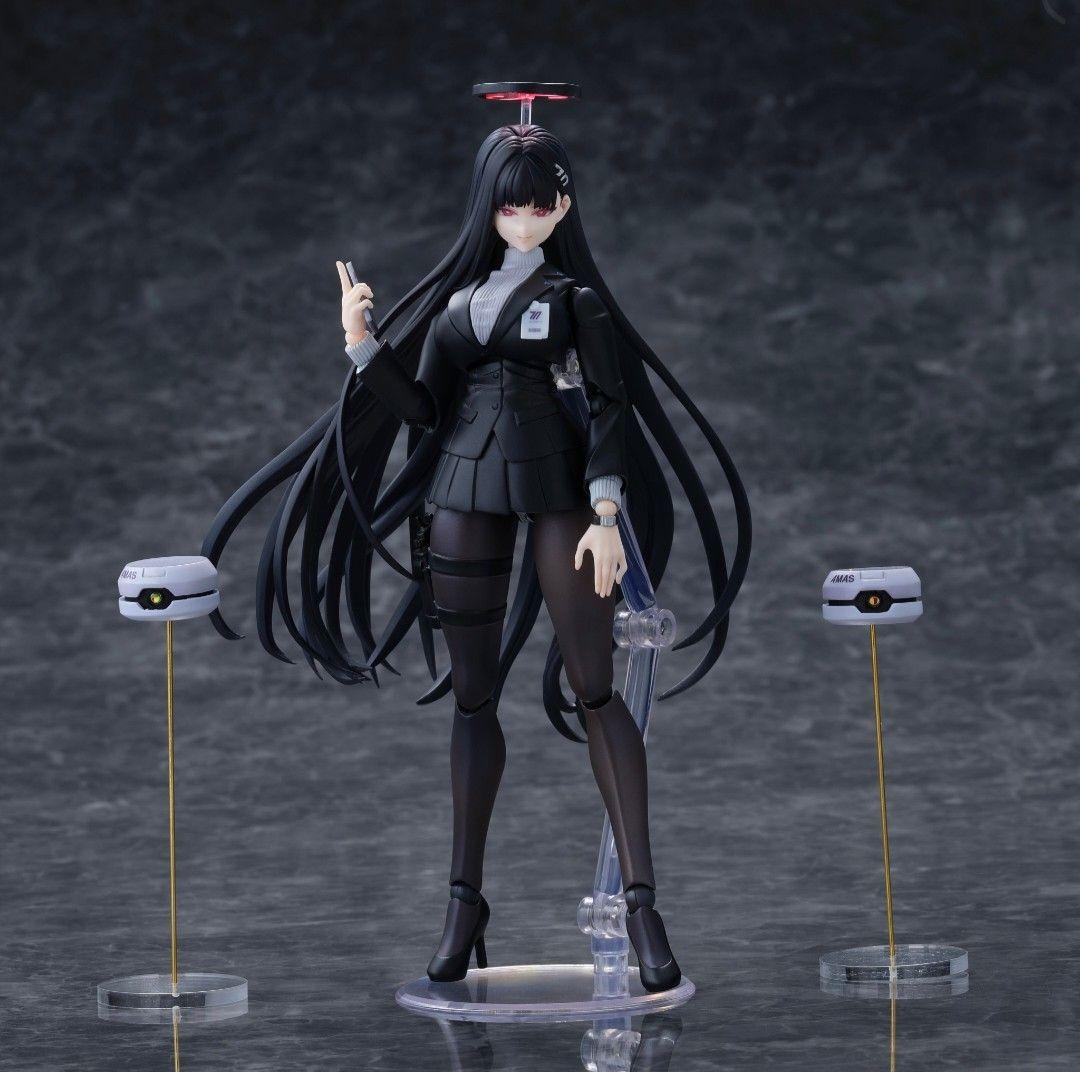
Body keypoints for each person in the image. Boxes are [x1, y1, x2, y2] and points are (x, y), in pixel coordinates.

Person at [203, 123, 750, 993]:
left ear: (562, 206)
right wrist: (361, 343)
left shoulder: (575, 303)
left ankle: (642, 903)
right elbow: (424, 408)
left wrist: (608, 512)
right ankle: (464, 902)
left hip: (562, 489)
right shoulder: (460, 308)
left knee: (595, 686)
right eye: (510, 205)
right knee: (472, 698)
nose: (525, 219)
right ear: (488, 208)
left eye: (541, 204)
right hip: (462, 489)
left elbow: (612, 408)